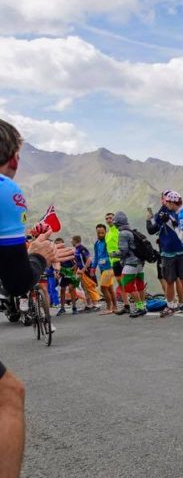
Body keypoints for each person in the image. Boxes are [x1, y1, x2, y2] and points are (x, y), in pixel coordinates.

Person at [0, 117, 75, 478]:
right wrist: (38, 257)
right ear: (14, 157)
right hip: (25, 279)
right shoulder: (5, 189)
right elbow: (15, 282)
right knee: (9, 396)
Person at [147, 191, 183, 318]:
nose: (165, 202)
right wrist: (151, 219)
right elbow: (151, 229)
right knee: (169, 280)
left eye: (167, 200)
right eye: (164, 199)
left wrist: (170, 220)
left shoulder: (180, 211)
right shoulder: (161, 212)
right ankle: (171, 305)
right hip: (167, 251)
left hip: (181, 250)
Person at [111, 212, 147, 318]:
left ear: (117, 223)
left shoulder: (123, 234)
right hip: (140, 262)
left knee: (127, 285)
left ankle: (140, 307)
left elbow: (123, 251)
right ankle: (143, 306)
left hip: (131, 262)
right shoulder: (132, 231)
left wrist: (113, 254)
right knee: (139, 284)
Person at [105, 212, 129, 315]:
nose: (109, 220)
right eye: (107, 219)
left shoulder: (118, 230)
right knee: (120, 283)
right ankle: (126, 305)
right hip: (114, 262)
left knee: (128, 282)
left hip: (122, 259)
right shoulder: (107, 234)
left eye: (111, 218)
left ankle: (139, 304)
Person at [93, 224, 117, 314]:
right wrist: (93, 267)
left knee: (103, 288)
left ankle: (109, 307)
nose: (100, 234)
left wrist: (104, 260)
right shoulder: (97, 243)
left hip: (109, 267)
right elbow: (96, 256)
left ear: (105, 232)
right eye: (98, 233)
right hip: (102, 268)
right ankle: (115, 307)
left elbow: (111, 253)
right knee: (110, 288)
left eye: (102, 233)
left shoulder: (108, 241)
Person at [72, 235, 99, 312]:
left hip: (86, 271)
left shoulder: (82, 249)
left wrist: (84, 269)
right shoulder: (76, 250)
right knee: (85, 288)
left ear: (75, 241)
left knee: (90, 287)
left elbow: (89, 259)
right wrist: (74, 272)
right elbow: (78, 262)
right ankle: (89, 305)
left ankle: (95, 304)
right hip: (81, 272)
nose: (71, 242)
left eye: (72, 240)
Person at [56, 237, 79, 315]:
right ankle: (62, 308)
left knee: (71, 288)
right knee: (62, 289)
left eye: (60, 244)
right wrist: (58, 273)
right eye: (57, 244)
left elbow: (76, 263)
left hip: (71, 272)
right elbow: (56, 265)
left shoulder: (69, 252)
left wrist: (73, 272)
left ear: (63, 244)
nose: (59, 245)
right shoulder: (56, 254)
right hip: (63, 272)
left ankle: (74, 307)